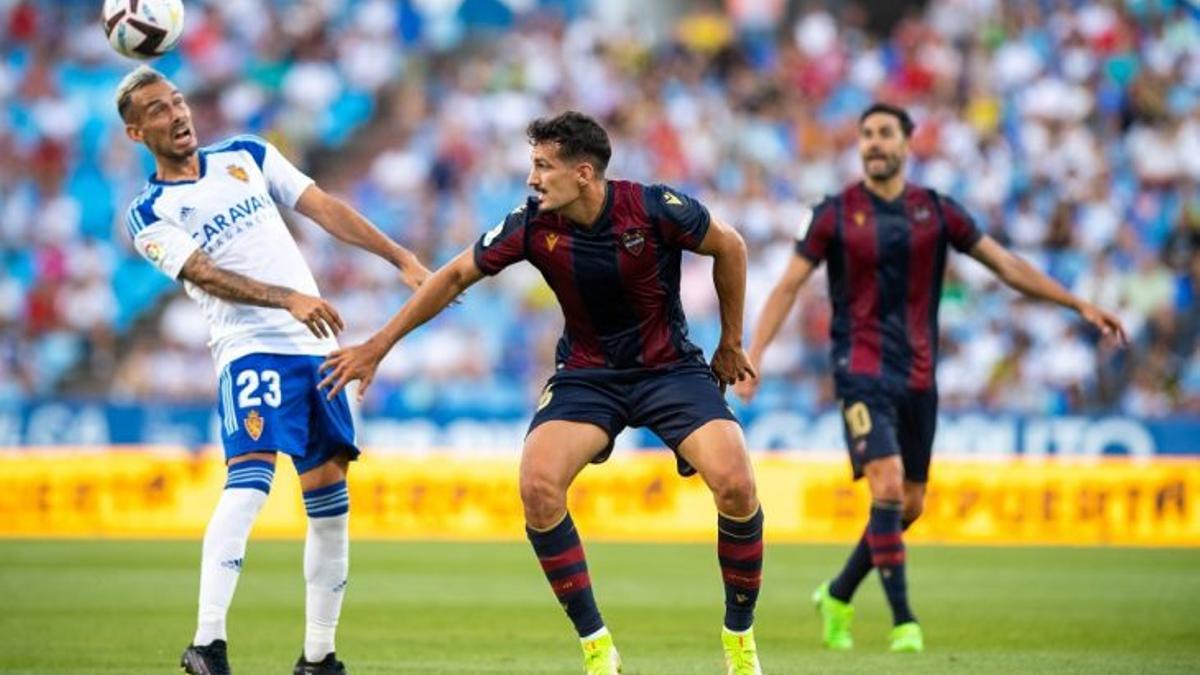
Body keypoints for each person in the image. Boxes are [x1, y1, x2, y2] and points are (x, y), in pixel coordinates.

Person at [319, 111, 765, 675]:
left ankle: (739, 639)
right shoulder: (530, 225)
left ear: (583, 173)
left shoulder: (652, 207)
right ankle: (598, 648)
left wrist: (731, 341)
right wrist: (377, 345)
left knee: (736, 483)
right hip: (587, 376)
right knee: (537, 486)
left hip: (669, 369)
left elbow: (732, 247)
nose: (532, 179)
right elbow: (456, 275)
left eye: (542, 166)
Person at [735, 102, 1127, 654]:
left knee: (909, 505)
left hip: (919, 375)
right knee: (889, 486)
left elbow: (1007, 266)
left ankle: (838, 593)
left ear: (907, 143)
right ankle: (904, 623)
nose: (873, 142)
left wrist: (1077, 304)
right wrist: (754, 352)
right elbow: (787, 287)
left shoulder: (938, 212)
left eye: (884, 134)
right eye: (866, 134)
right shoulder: (834, 213)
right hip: (859, 369)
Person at [117, 65, 432, 675]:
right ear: (136, 134)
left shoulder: (246, 155)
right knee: (250, 484)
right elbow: (202, 272)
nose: (176, 114)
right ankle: (207, 644)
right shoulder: (149, 211)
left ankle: (319, 657)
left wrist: (399, 256)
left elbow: (324, 208)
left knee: (331, 503)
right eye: (157, 110)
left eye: (178, 101)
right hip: (250, 350)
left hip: (317, 355)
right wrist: (286, 297)